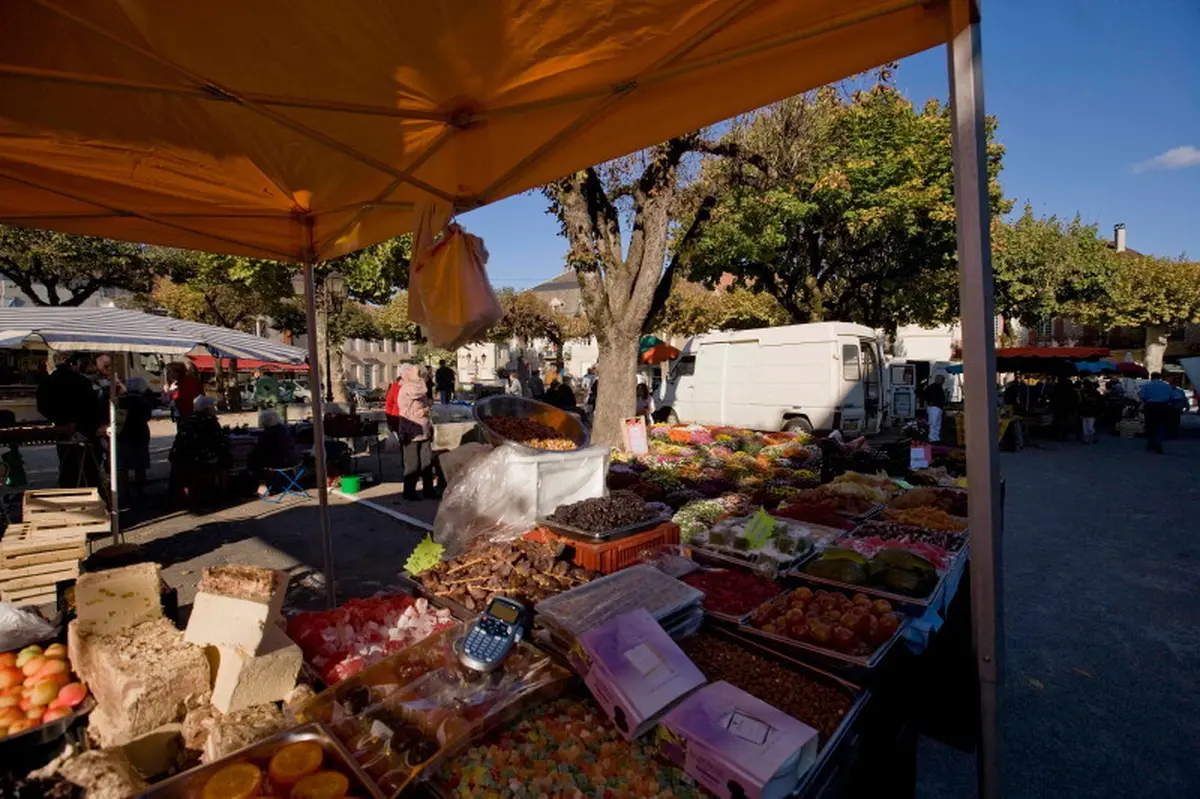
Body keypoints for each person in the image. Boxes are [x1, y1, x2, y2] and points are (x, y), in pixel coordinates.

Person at [37, 353, 104, 488]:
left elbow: (42, 406)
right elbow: (92, 406)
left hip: (62, 426)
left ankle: (68, 489)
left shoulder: (49, 382)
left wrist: (56, 418)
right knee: (88, 464)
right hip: (84, 426)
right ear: (72, 364)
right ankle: (90, 491)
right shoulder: (82, 381)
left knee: (67, 462)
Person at [169, 395, 231, 503]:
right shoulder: (209, 421)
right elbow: (219, 442)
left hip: (181, 457)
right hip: (200, 457)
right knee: (226, 457)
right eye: (212, 407)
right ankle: (223, 490)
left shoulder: (186, 420)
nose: (214, 409)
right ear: (206, 409)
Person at [397, 364, 441, 500]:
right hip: (411, 431)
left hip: (424, 429)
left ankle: (428, 490)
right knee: (412, 463)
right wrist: (415, 376)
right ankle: (409, 491)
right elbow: (420, 390)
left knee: (426, 462)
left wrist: (426, 411)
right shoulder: (407, 388)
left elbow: (428, 402)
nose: (423, 377)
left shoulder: (417, 387)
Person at [117, 376, 153, 500]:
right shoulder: (144, 401)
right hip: (140, 434)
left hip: (123, 434)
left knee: (123, 466)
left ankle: (124, 492)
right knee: (140, 465)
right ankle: (140, 491)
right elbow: (147, 417)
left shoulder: (121, 400)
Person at [251, 410, 300, 495]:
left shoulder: (266, 434)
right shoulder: (285, 430)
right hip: (293, 461)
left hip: (278, 462)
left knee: (253, 461)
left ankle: (261, 485)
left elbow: (260, 450)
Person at [1139, 372, 1172, 454]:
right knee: (1160, 424)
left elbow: (1142, 396)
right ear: (1160, 377)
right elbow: (1171, 397)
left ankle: (1150, 443)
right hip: (1162, 406)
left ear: (1151, 377)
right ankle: (1159, 442)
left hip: (1150, 405)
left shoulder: (1147, 385)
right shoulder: (1167, 386)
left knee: (1150, 425)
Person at [1049, 374, 1079, 442]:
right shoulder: (1070, 390)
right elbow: (1074, 399)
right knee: (1066, 422)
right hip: (1067, 407)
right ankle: (1064, 435)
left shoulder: (1057, 388)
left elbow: (1053, 397)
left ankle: (1060, 435)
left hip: (1060, 407)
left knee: (1060, 422)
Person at [1079, 378, 1104, 444]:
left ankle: (1090, 438)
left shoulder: (1083, 393)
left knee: (1088, 427)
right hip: (1089, 412)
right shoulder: (1094, 393)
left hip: (1089, 411)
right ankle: (1090, 439)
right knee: (1088, 427)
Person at [924, 374, 947, 444]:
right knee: (933, 424)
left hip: (937, 407)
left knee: (937, 424)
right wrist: (930, 401)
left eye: (943, 380)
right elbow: (926, 395)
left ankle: (936, 438)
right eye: (942, 380)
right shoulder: (932, 387)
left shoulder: (937, 387)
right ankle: (932, 438)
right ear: (937, 379)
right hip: (934, 407)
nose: (943, 381)